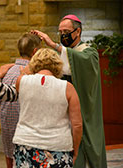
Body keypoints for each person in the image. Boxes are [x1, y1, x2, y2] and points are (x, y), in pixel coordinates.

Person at [31, 14, 107, 168]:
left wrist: (52, 44)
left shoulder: (89, 52)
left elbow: (79, 61)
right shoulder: (62, 54)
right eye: (60, 32)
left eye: (66, 31)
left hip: (84, 112)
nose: (63, 35)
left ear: (77, 32)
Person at [12, 48, 83, 168]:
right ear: (58, 65)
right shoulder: (67, 87)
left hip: (26, 143)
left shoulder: (21, 81)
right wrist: (75, 151)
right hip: (58, 146)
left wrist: (25, 72)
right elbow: (77, 125)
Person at [0, 33, 41, 168]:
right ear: (35, 51)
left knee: (10, 159)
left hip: (7, 126)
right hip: (27, 130)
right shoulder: (35, 72)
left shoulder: (7, 71)